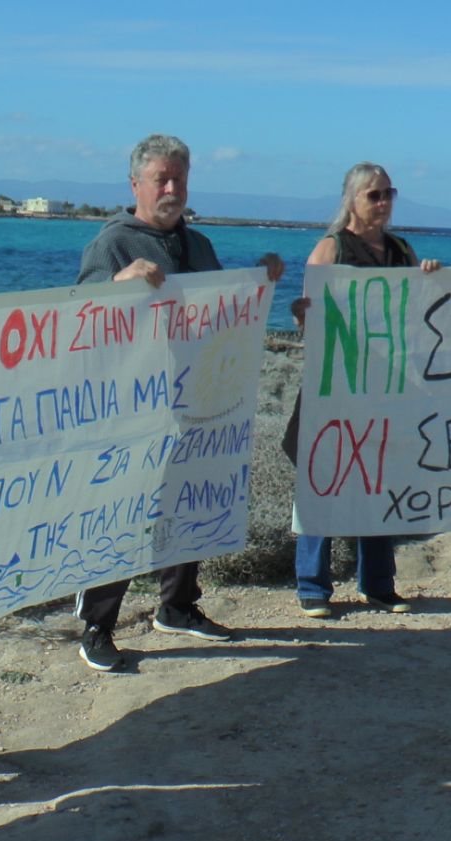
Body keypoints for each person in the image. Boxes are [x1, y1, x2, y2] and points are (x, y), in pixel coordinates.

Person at [73, 133, 285, 672]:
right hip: (130, 408)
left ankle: (178, 605)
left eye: (179, 179)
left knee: (191, 500)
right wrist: (118, 283)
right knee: (121, 514)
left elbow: (219, 312)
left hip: (193, 401)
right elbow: (77, 318)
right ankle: (96, 625)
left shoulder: (199, 245)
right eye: (161, 179)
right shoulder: (111, 244)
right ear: (135, 185)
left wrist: (259, 283)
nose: (172, 189)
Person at [288, 162, 439, 618]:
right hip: (335, 387)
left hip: (384, 388)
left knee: (379, 481)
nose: (383, 202)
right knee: (321, 478)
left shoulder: (401, 250)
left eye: (389, 193)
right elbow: (309, 316)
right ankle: (312, 585)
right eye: (374, 194)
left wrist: (431, 278)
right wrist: (302, 313)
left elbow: (418, 313)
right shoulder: (331, 248)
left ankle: (378, 583)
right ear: (351, 200)